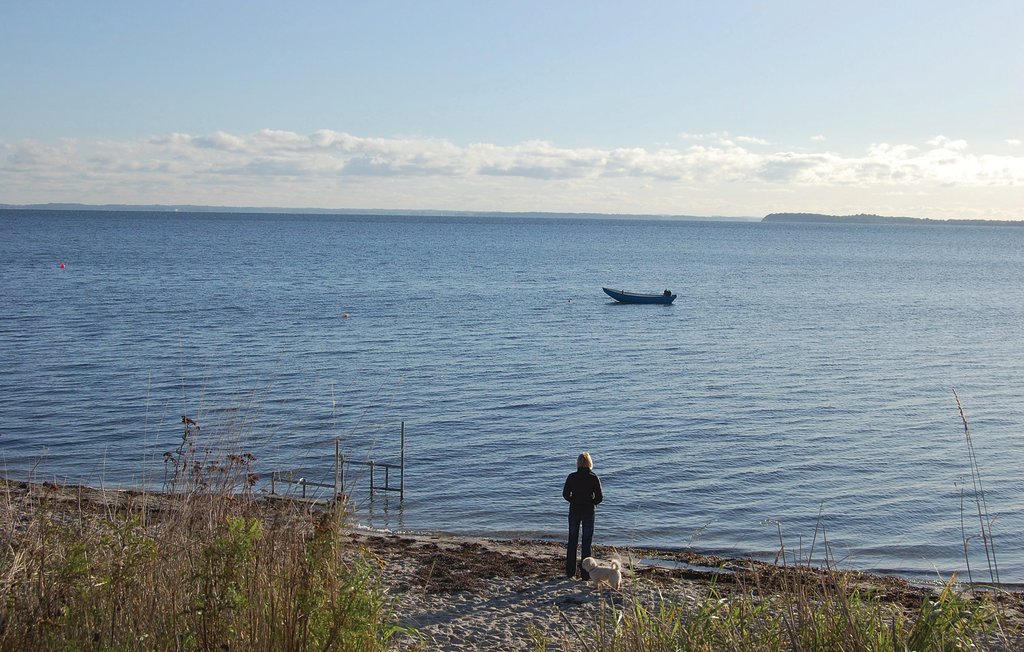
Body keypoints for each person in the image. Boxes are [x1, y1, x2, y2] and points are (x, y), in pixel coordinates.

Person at [562, 451, 603, 579]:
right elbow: (599, 497)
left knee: (572, 540)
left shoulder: (572, 477)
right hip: (588, 511)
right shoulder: (593, 477)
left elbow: (565, 494)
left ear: (578, 463)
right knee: (586, 542)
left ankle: (570, 572)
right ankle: (586, 574)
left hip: (574, 509)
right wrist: (592, 503)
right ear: (590, 463)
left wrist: (573, 500)